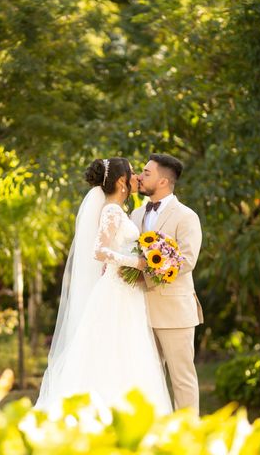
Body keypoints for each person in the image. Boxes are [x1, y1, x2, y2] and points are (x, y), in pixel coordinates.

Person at [35, 157, 172, 414]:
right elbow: (100, 251)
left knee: (127, 350)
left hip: (126, 291)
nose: (136, 178)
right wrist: (137, 262)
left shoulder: (119, 211)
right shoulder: (111, 210)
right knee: (113, 349)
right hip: (115, 291)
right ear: (121, 181)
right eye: (132, 174)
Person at [130, 153, 203, 412]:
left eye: (146, 173)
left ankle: (188, 440)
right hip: (138, 311)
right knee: (148, 378)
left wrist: (144, 273)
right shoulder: (135, 215)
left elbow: (186, 260)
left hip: (174, 312)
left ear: (163, 181)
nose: (139, 176)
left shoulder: (186, 216)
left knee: (182, 379)